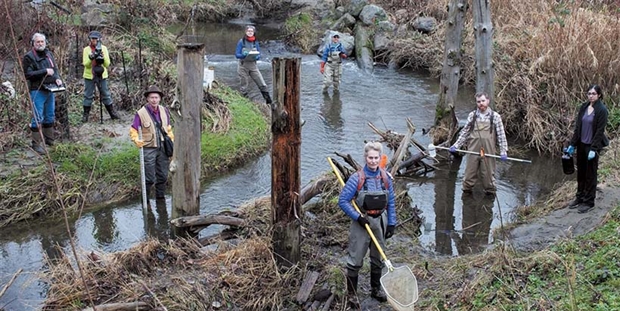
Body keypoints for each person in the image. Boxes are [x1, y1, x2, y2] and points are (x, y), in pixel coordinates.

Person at [338, 142, 397, 309]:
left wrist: (391, 223)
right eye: (370, 158)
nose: (372, 161)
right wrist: (358, 217)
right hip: (361, 223)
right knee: (355, 259)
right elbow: (343, 201)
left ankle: (376, 289)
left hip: (380, 220)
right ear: (365, 158)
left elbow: (391, 202)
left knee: (378, 257)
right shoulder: (357, 178)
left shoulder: (385, 178)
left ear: (380, 158)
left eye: (376, 158)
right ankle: (352, 295)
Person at [450, 92, 508, 195]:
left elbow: (501, 135)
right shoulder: (472, 115)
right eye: (478, 101)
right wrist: (456, 145)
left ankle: (490, 197)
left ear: (488, 101)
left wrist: (504, 151)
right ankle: (467, 196)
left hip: (488, 151)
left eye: (483, 101)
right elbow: (465, 132)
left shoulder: (495, 116)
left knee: (488, 176)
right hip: (473, 149)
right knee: (469, 176)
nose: (481, 103)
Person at [564, 84, 609, 213]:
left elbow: (599, 131)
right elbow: (578, 128)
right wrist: (572, 144)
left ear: (599, 95)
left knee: (590, 174)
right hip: (582, 144)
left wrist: (594, 149)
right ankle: (580, 197)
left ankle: (589, 201)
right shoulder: (584, 107)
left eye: (593, 93)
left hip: (592, 146)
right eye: (589, 93)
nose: (591, 96)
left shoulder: (601, 110)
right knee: (581, 173)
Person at [129, 86, 174, 201]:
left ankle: (160, 198)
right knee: (149, 178)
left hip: (163, 148)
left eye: (156, 97)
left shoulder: (165, 111)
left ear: (160, 99)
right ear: (147, 99)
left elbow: (168, 128)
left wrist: (171, 139)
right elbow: (133, 129)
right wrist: (136, 140)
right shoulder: (140, 113)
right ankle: (146, 200)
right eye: (151, 97)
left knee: (163, 175)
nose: (154, 100)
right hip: (149, 148)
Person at [23, 32, 63, 155]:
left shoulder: (48, 54)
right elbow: (28, 74)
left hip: (50, 89)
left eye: (42, 42)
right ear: (33, 43)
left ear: (45, 43)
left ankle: (49, 140)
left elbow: (54, 69)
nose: (40, 44)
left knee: (49, 115)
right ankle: (36, 143)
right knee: (37, 117)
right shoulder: (29, 57)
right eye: (38, 42)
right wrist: (44, 71)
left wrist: (57, 78)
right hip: (37, 90)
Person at [82, 30, 119, 122]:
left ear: (99, 39)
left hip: (102, 74)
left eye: (96, 39)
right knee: (88, 95)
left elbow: (107, 64)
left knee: (105, 94)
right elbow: (86, 64)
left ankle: (112, 113)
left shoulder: (104, 48)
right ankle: (85, 115)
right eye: (92, 38)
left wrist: (102, 57)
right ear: (90, 39)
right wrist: (91, 57)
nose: (94, 40)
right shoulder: (86, 50)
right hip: (89, 75)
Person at [235, 25, 272, 106]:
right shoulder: (241, 42)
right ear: (246, 32)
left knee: (262, 83)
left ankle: (269, 102)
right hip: (243, 66)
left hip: (253, 66)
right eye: (248, 31)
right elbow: (237, 55)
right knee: (244, 85)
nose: (250, 33)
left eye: (251, 31)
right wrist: (243, 55)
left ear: (254, 32)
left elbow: (259, 54)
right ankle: (244, 102)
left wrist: (257, 56)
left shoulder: (256, 42)